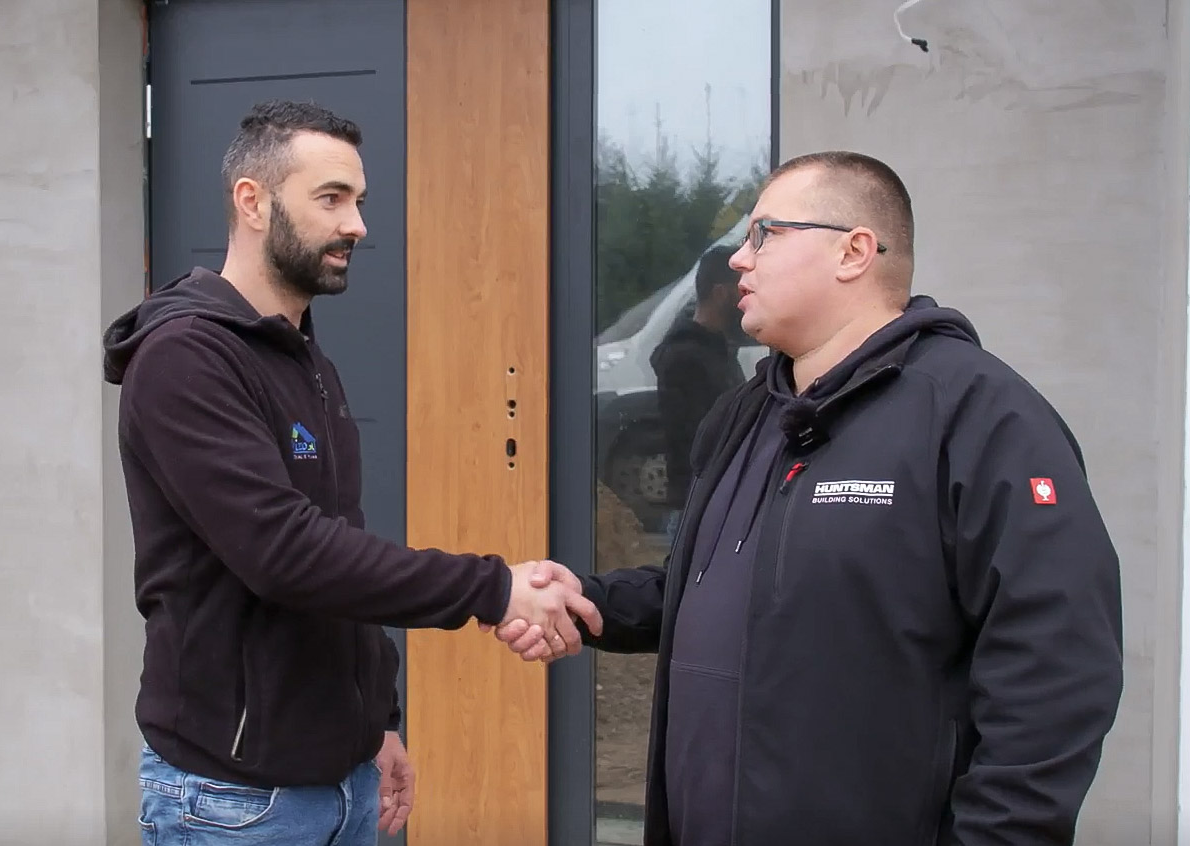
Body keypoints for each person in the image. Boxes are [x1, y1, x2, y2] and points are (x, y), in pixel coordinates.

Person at [498, 151, 1124, 845]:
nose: (739, 259)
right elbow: (709, 589)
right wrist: (584, 601)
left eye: (764, 234)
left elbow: (1057, 666)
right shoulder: (743, 416)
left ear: (853, 252)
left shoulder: (979, 414)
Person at [102, 100, 600, 846]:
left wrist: (377, 721)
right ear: (252, 202)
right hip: (235, 801)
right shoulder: (186, 358)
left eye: (358, 201)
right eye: (331, 199)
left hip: (344, 781)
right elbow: (286, 553)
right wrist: (496, 589)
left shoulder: (302, 357)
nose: (357, 225)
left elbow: (340, 551)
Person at [650, 244, 748, 538]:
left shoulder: (717, 351)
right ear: (720, 293)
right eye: (740, 289)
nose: (746, 298)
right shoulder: (686, 359)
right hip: (697, 505)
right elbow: (694, 437)